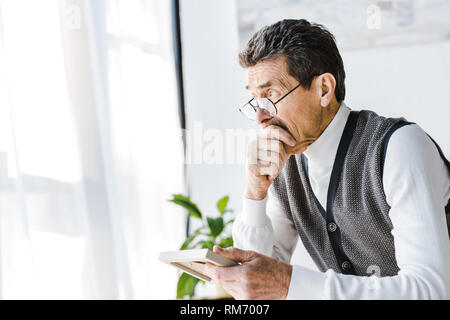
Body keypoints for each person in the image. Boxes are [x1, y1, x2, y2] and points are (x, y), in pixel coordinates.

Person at [203, 19, 450, 299]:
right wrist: (254, 192)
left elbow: (431, 290)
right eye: (255, 101)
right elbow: (255, 283)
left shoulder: (399, 147)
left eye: (270, 95)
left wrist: (288, 284)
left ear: (324, 89)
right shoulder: (286, 169)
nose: (261, 117)